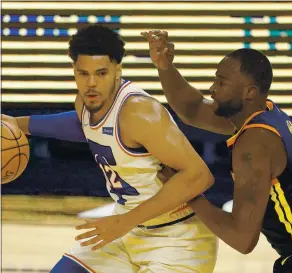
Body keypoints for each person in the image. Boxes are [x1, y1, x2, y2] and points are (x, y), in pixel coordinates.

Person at [2, 25, 218, 273]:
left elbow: (199, 176)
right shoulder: (86, 102)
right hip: (128, 230)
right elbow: (82, 124)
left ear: (118, 70)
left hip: (179, 239)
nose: (91, 83)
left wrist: (124, 222)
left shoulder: (140, 113)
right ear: (74, 71)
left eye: (101, 73)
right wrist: (17, 124)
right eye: (83, 74)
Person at [141, 30, 292, 273]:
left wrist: (187, 192)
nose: (211, 88)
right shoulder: (264, 112)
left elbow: (242, 239)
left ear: (249, 92)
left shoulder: (254, 146)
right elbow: (193, 110)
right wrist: (165, 67)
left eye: (221, 82)